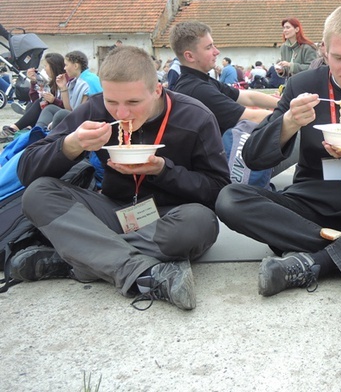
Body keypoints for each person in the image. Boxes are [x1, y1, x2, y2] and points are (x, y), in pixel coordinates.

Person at [215, 2, 341, 297]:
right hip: (309, 208)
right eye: (338, 57)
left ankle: (315, 262)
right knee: (229, 198)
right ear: (324, 49)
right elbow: (252, 158)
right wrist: (287, 123)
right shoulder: (303, 84)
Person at [9, 45, 230, 311]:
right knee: (38, 193)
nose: (121, 114)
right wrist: (71, 144)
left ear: (157, 90)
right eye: (112, 102)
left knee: (200, 222)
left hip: (168, 218)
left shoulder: (195, 117)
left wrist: (163, 170)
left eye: (133, 102)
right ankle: (138, 271)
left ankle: (78, 261)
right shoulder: (94, 109)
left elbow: (218, 190)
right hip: (113, 212)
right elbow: (27, 171)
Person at [170, 21, 279, 133]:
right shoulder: (197, 89)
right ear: (189, 56)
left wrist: (284, 103)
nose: (217, 51)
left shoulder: (201, 80)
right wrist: (291, 115)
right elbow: (251, 117)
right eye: (209, 47)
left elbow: (248, 97)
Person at [0, 52, 67, 141]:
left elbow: (68, 106)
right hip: (50, 112)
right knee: (31, 105)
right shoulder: (53, 82)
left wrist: (53, 100)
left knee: (41, 102)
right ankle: (25, 128)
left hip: (59, 115)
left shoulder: (65, 82)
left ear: (53, 67)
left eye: (46, 66)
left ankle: (15, 128)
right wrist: (33, 82)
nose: (44, 69)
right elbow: (34, 100)